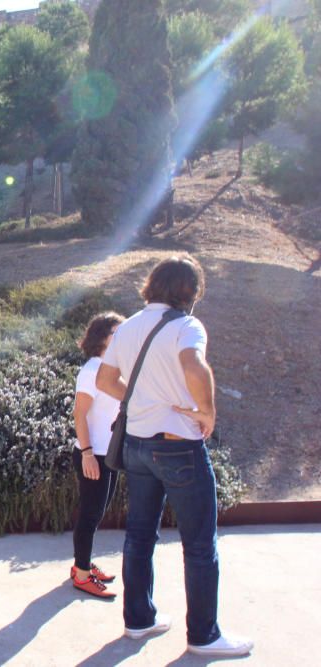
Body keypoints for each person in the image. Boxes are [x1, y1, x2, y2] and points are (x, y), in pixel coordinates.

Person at [96, 256, 252, 657]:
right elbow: (193, 365)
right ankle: (204, 636)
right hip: (178, 446)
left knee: (139, 536)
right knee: (200, 544)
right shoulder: (187, 326)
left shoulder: (127, 327)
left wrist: (141, 399)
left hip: (136, 446)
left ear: (152, 285)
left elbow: (104, 380)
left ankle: (138, 621)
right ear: (190, 291)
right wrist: (207, 411)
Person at [69, 312, 125, 599]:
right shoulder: (92, 370)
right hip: (93, 455)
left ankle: (83, 563)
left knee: (96, 513)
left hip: (108, 453)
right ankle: (81, 575)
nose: (123, 335)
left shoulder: (110, 369)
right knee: (90, 515)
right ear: (102, 336)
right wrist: (88, 454)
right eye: (118, 331)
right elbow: (79, 415)